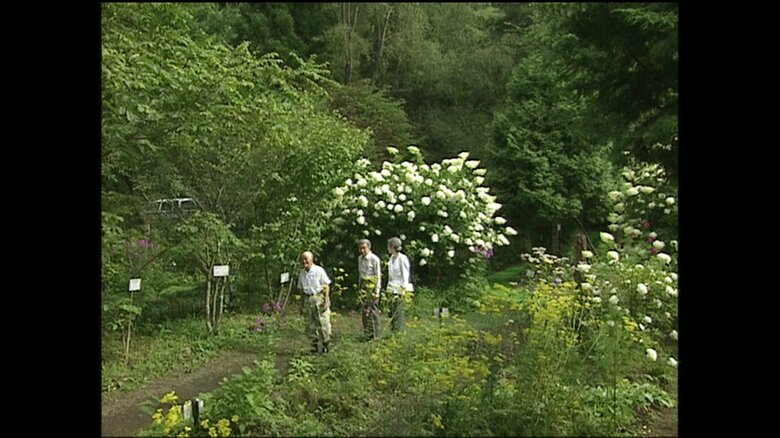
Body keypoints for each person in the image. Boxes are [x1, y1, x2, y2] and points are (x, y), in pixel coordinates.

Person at [297, 251, 332, 353]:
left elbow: (326, 285)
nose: (304, 261)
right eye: (302, 259)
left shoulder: (318, 270)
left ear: (311, 260)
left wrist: (326, 301)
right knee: (310, 324)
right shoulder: (302, 273)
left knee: (323, 322)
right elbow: (301, 290)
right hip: (308, 299)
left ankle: (326, 345)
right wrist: (301, 305)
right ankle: (315, 346)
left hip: (319, 298)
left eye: (306, 259)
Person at [385, 237, 413, 332]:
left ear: (393, 246)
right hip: (392, 288)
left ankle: (399, 331)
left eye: (389, 246)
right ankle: (393, 331)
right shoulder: (391, 258)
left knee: (399, 311)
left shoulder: (402, 258)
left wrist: (403, 289)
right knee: (392, 311)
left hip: (400, 288)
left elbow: (405, 274)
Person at [357, 239, 382, 340]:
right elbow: (360, 274)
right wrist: (359, 288)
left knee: (374, 311)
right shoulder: (360, 259)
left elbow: (378, 275)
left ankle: (376, 335)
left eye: (364, 248)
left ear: (369, 247)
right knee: (364, 310)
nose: (362, 250)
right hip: (363, 285)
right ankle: (367, 333)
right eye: (360, 248)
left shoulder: (374, 259)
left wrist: (377, 291)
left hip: (372, 284)